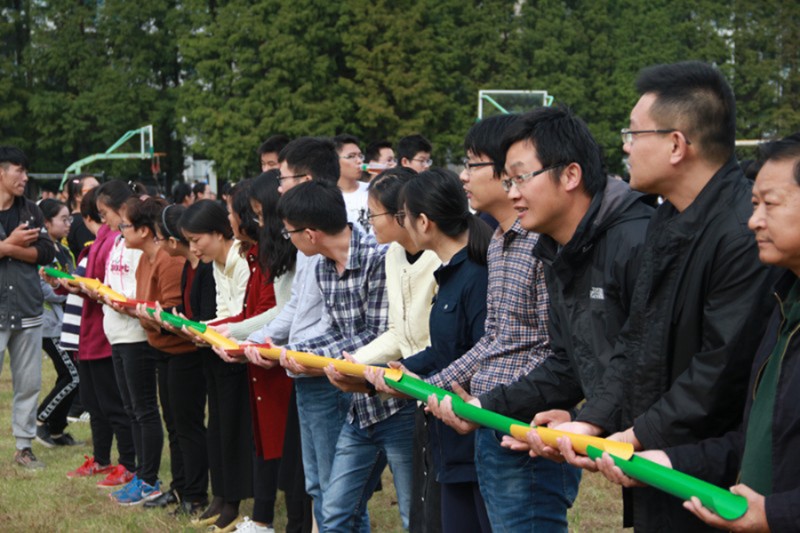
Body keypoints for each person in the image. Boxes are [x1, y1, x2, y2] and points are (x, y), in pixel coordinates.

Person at [538, 61, 777, 531]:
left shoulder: (740, 233)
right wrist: (594, 421)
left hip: (715, 479)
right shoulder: (666, 219)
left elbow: (718, 369)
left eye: (633, 133)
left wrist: (634, 435)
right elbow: (637, 339)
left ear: (675, 145)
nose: (624, 146)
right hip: (659, 466)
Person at [595, 132, 800, 532]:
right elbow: (755, 441)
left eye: (769, 205)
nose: (754, 220)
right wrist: (668, 461)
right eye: (754, 204)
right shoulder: (782, 306)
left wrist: (777, 515)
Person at [419, 113, 583, 531]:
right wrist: (430, 386)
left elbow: (555, 350)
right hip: (490, 424)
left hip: (526, 428)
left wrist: (486, 403)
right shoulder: (498, 242)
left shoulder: (544, 244)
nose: (463, 176)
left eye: (473, 164)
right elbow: (496, 339)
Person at [371, 169, 493, 533]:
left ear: (424, 222)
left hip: (474, 439)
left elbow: (481, 357)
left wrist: (422, 380)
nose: (401, 225)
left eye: (403, 216)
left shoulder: (477, 276)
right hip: (447, 440)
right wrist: (403, 370)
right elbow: (444, 350)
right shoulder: (449, 275)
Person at [319, 168, 438, 532]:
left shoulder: (438, 260)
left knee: (416, 514)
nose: (367, 221)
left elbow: (432, 343)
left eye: (373, 213)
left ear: (403, 214)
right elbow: (398, 333)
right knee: (335, 510)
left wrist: (385, 371)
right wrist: (356, 361)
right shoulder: (392, 255)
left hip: (421, 399)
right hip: (384, 394)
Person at [274, 179, 389, 531]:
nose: (287, 238)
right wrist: (297, 351)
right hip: (330, 376)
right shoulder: (324, 264)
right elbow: (335, 329)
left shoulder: (376, 258)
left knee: (341, 494)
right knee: (323, 490)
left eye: (288, 232)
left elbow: (376, 334)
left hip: (371, 394)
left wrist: (307, 356)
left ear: (310, 234)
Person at [245, 137, 336, 528]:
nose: (277, 186)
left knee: (335, 486)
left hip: (330, 372)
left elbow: (339, 321)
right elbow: (296, 309)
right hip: (301, 367)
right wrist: (258, 339)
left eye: (281, 178)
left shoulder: (335, 235)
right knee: (315, 479)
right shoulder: (302, 237)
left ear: (308, 178)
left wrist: (288, 346)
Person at [180, 199, 252, 531]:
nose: (194, 249)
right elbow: (225, 311)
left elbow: (243, 315)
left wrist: (205, 329)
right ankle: (221, 496)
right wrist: (202, 329)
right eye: (189, 242)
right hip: (220, 349)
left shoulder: (240, 259)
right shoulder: (217, 264)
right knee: (218, 427)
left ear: (218, 232)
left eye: (197, 240)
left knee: (232, 430)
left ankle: (233, 501)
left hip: (242, 357)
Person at [63, 188, 137, 487]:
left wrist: (84, 287)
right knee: (95, 403)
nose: (105, 220)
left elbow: (104, 285)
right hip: (93, 333)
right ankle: (103, 459)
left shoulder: (113, 241)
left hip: (107, 335)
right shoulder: (106, 240)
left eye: (106, 214)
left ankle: (128, 463)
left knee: (114, 404)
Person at [154, 203, 214, 518]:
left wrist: (176, 323)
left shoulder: (203, 268)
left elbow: (205, 320)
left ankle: (195, 494)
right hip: (181, 350)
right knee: (176, 425)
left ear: (175, 240)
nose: (160, 246)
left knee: (189, 426)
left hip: (192, 356)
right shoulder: (188, 268)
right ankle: (182, 489)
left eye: (162, 239)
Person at [0, 146, 56, 469]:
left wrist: (9, 249)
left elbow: (47, 252)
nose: (25, 177)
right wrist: (12, 243)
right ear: (2, 173)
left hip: (27, 307)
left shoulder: (31, 212)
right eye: (19, 171)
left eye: (25, 171)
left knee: (29, 382)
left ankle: (24, 446)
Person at [35, 199, 80, 448]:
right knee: (73, 376)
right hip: (48, 324)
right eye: (63, 219)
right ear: (46, 222)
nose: (68, 224)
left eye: (69, 219)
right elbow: (46, 290)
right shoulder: (42, 250)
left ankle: (55, 429)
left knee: (70, 374)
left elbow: (70, 278)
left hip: (65, 322)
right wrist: (72, 289)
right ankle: (40, 419)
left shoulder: (63, 250)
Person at [333, 134, 370, 226]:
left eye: (360, 156)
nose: (359, 161)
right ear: (334, 160)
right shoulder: (328, 197)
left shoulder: (373, 190)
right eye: (351, 156)